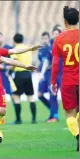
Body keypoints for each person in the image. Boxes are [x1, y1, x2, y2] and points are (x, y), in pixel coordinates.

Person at [51, 6, 79, 151]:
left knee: (70, 113)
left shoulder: (59, 39)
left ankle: (78, 135)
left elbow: (55, 63)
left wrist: (53, 82)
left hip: (68, 80)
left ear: (65, 21)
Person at [10, 33, 37, 124]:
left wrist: (9, 71)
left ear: (14, 40)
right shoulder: (27, 48)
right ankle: (34, 119)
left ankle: (18, 119)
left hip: (19, 74)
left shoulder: (15, 49)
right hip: (28, 74)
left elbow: (15, 61)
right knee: (31, 97)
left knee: (16, 97)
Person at [37, 32, 59, 122]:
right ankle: (53, 111)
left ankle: (55, 116)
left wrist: (42, 73)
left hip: (50, 74)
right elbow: (41, 61)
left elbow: (47, 62)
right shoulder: (41, 49)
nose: (44, 40)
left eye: (46, 38)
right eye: (43, 38)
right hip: (44, 74)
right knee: (39, 95)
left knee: (52, 94)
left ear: (49, 38)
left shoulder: (51, 48)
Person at [0, 31, 14, 97]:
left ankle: (17, 107)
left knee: (13, 94)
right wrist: (5, 67)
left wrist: (11, 67)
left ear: (3, 37)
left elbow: (14, 61)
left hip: (9, 74)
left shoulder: (10, 48)